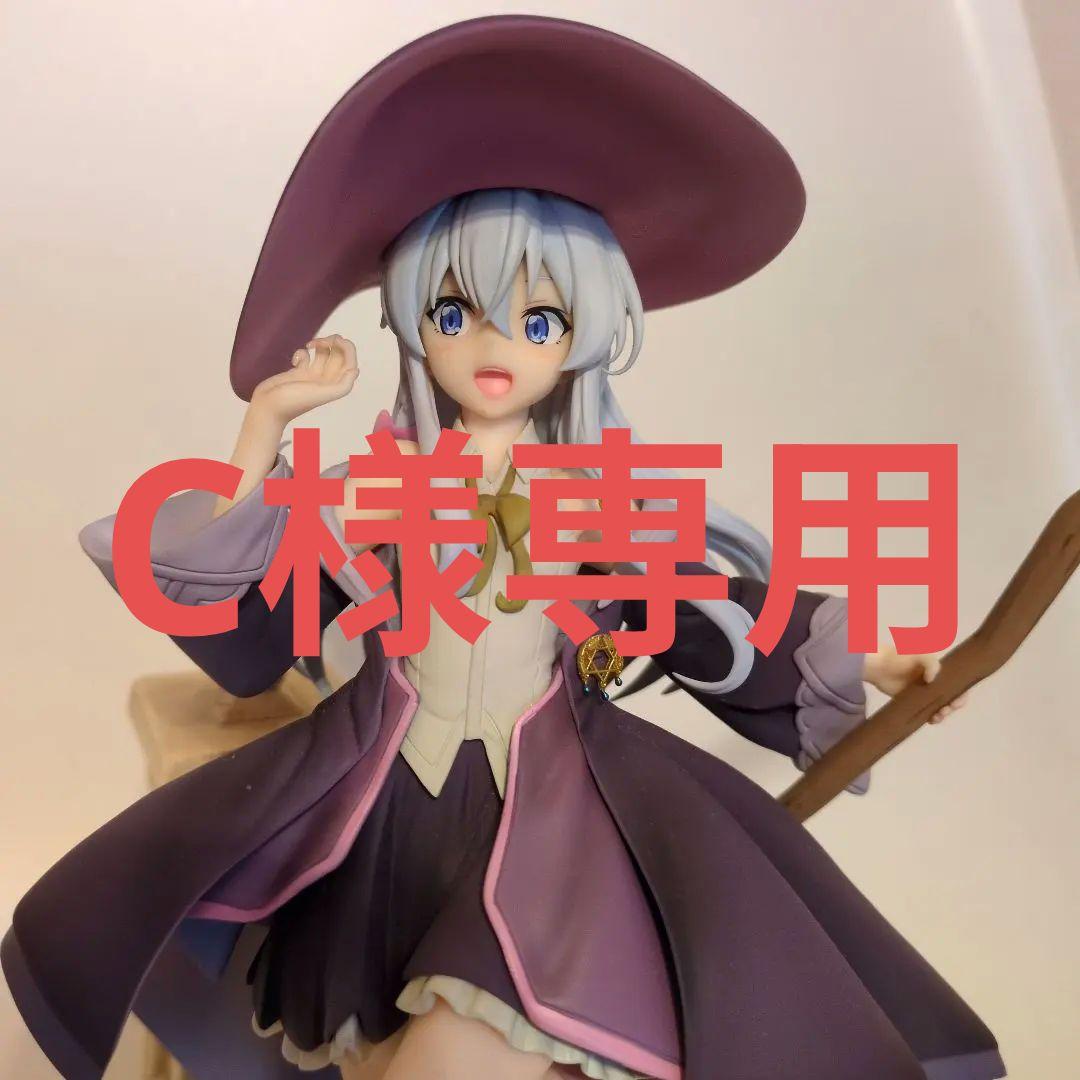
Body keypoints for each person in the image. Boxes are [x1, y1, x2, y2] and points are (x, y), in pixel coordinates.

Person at [1, 17, 1002, 1080]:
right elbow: (230, 571)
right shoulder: (378, 491)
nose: (492, 348)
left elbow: (707, 603)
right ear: (411, 320)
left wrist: (873, 660)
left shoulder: (594, 500)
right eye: (454, 313)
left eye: (538, 321)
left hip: (554, 817)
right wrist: (268, 423)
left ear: (581, 334)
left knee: (495, 1025)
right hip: (386, 811)